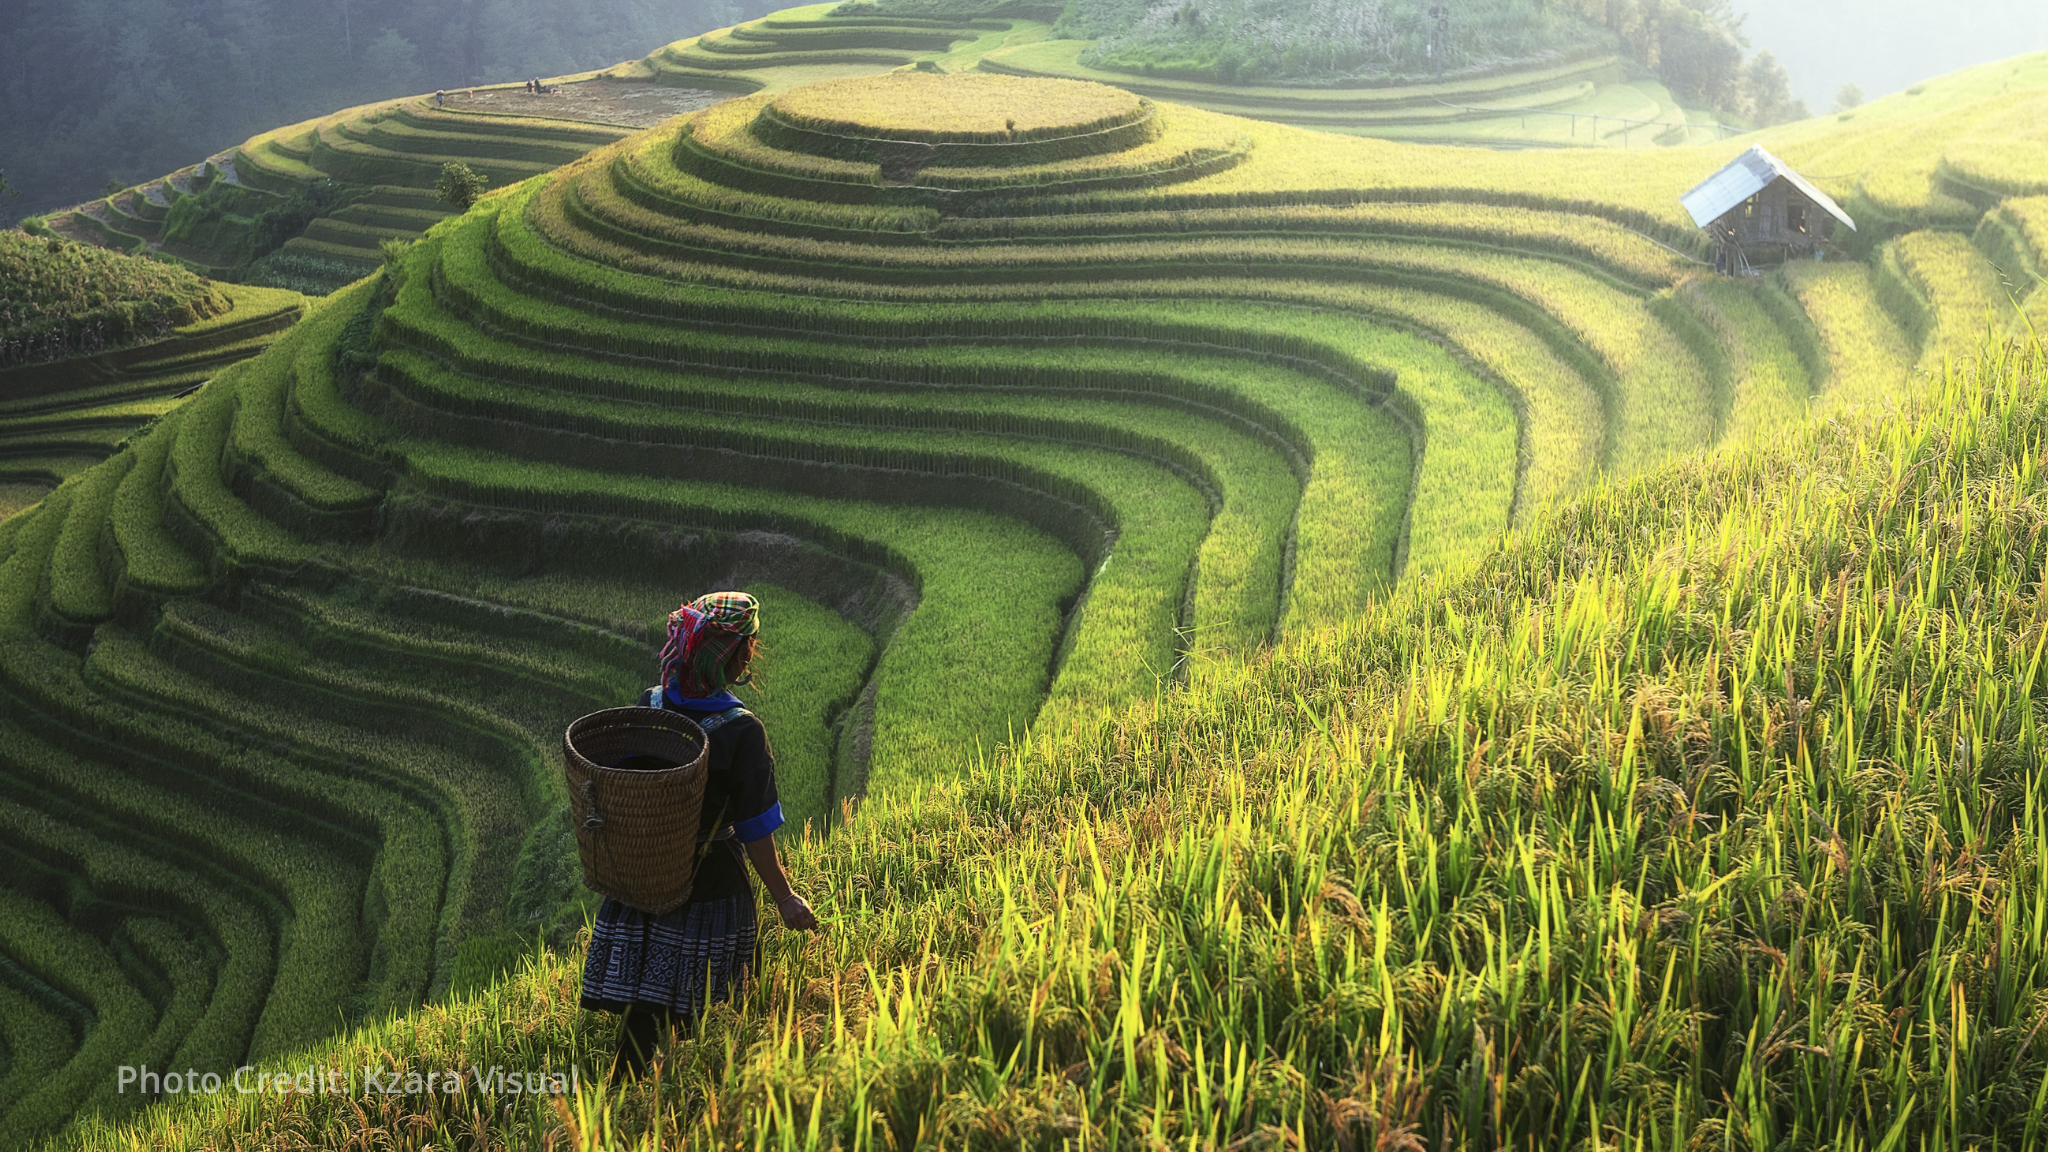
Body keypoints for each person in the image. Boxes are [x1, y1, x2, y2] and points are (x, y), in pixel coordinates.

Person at [579, 591, 821, 1085]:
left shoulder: (651, 703)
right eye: (748, 647)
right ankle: (691, 1098)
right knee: (712, 1007)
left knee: (645, 1003)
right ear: (734, 655)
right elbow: (755, 831)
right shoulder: (741, 730)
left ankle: (626, 1096)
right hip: (709, 882)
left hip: (646, 874)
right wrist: (786, 898)